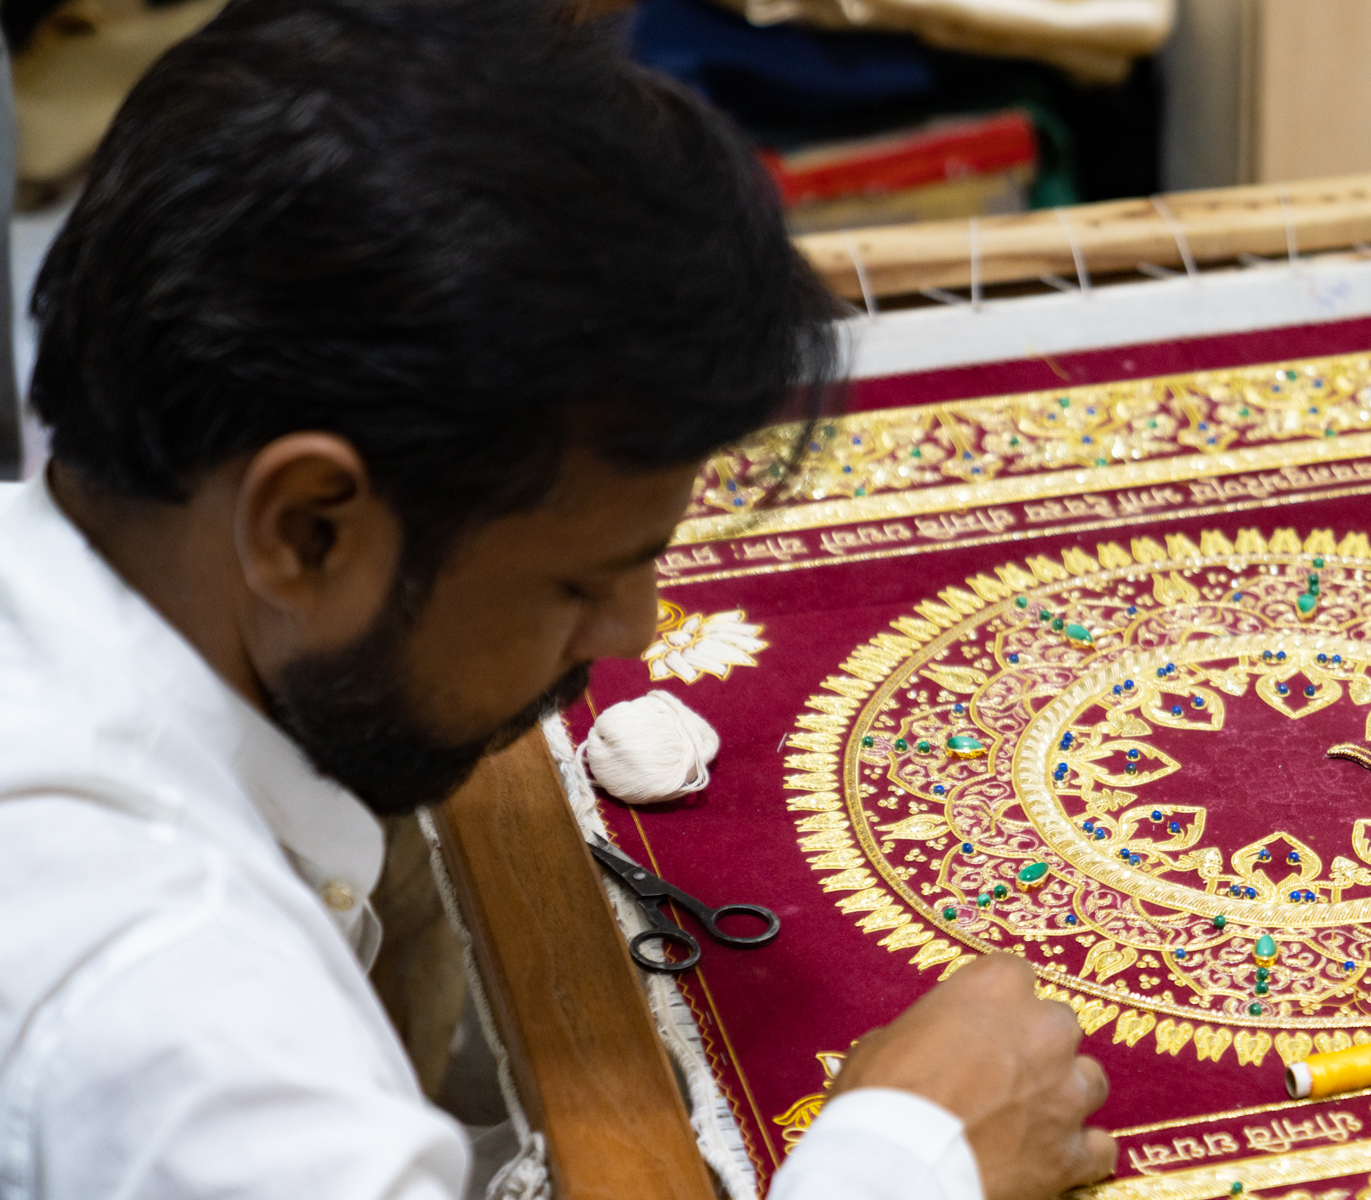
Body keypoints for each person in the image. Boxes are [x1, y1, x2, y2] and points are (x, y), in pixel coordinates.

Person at [0, 2, 1119, 1199]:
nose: (634, 634)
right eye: (579, 581)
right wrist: (915, 1159)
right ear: (308, 526)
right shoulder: (180, 1030)